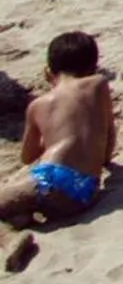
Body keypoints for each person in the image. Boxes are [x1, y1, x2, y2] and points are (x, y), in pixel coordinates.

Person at [0, 33, 116, 238]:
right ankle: (19, 219)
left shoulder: (38, 105)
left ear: (48, 71)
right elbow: (108, 132)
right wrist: (105, 160)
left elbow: (27, 157)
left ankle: (11, 241)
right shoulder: (99, 84)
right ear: (93, 67)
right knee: (19, 208)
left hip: (51, 180)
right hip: (84, 192)